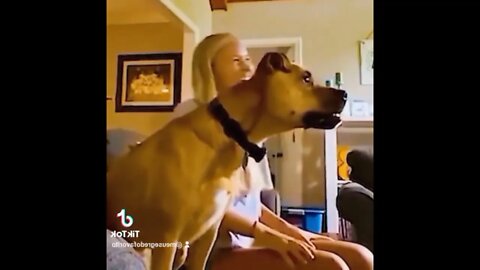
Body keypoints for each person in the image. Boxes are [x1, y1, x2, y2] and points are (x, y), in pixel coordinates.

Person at [171, 33, 373, 270]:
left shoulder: (250, 124)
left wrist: (290, 231)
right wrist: (269, 236)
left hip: (250, 239)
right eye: (237, 60)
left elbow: (252, 204)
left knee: (361, 257)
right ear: (210, 69)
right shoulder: (191, 117)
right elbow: (201, 206)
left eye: (248, 58)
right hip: (215, 248)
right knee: (332, 266)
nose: (248, 65)